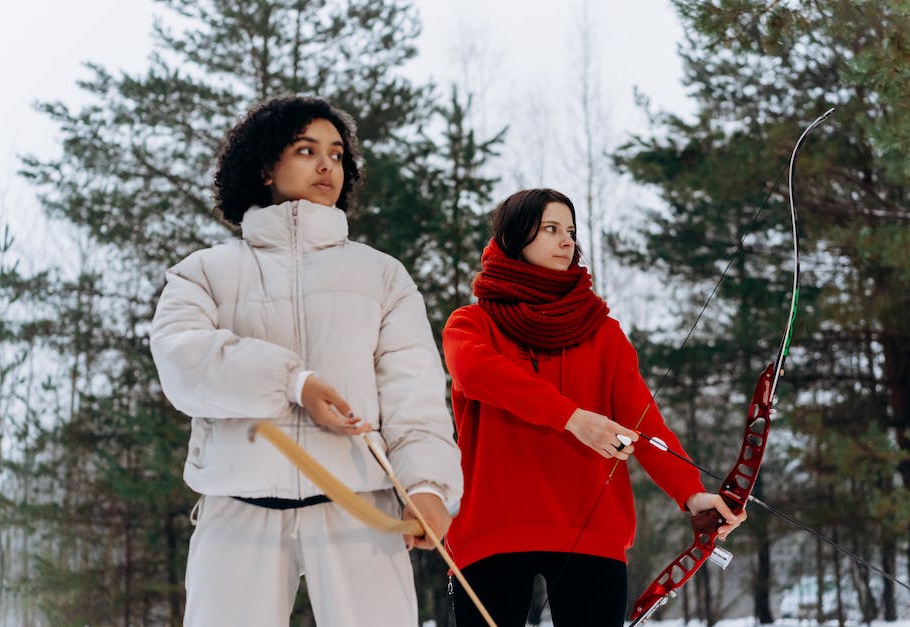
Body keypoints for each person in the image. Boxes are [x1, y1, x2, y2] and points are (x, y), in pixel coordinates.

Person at [150, 94, 462, 627]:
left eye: (337, 154)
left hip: (360, 509)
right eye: (305, 149)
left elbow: (416, 400)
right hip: (236, 511)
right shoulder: (203, 272)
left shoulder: (382, 275)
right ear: (267, 166)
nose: (326, 166)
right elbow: (184, 364)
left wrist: (428, 488)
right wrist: (292, 383)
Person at [441, 188, 747, 627]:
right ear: (513, 238)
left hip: (593, 531)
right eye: (550, 229)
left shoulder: (602, 333)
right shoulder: (472, 324)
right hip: (493, 530)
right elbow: (477, 373)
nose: (567, 241)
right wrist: (572, 418)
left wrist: (692, 492)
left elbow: (645, 423)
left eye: (570, 231)